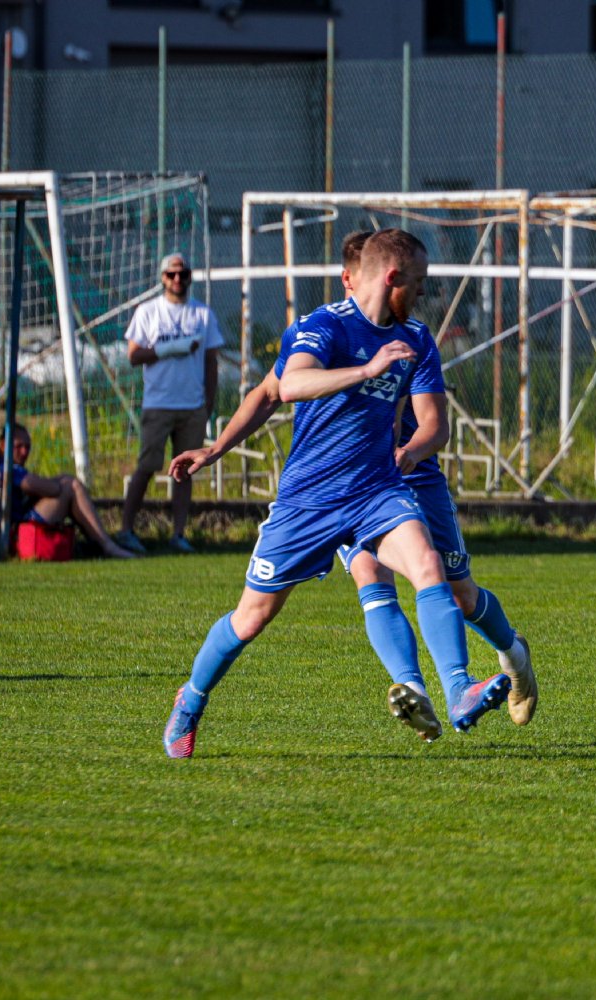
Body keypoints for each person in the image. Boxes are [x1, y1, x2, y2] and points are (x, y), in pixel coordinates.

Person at [162, 229, 512, 759]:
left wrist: (412, 448)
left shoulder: (415, 339)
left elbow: (432, 422)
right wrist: (214, 451)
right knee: (251, 617)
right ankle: (191, 699)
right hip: (309, 500)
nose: (422, 294)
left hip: (377, 488)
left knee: (427, 565)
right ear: (391, 278)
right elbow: (287, 387)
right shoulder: (324, 326)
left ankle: (458, 688)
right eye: (416, 284)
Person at [114, 253, 224, 555]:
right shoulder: (148, 312)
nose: (178, 279)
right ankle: (125, 530)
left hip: (192, 406)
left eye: (183, 274)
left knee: (184, 472)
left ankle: (178, 534)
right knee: (147, 467)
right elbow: (134, 355)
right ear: (163, 278)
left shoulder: (202, 314)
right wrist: (170, 348)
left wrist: (208, 402)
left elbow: (211, 362)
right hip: (158, 403)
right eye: (172, 274)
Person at [0, 424, 136, 560]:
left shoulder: (6, 468)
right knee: (70, 485)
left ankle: (100, 543)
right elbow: (52, 489)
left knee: (68, 481)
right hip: (19, 531)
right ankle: (106, 545)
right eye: (19, 446)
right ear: (3, 445)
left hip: (20, 525)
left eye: (27, 447)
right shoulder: (7, 469)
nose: (24, 452)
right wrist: (60, 483)